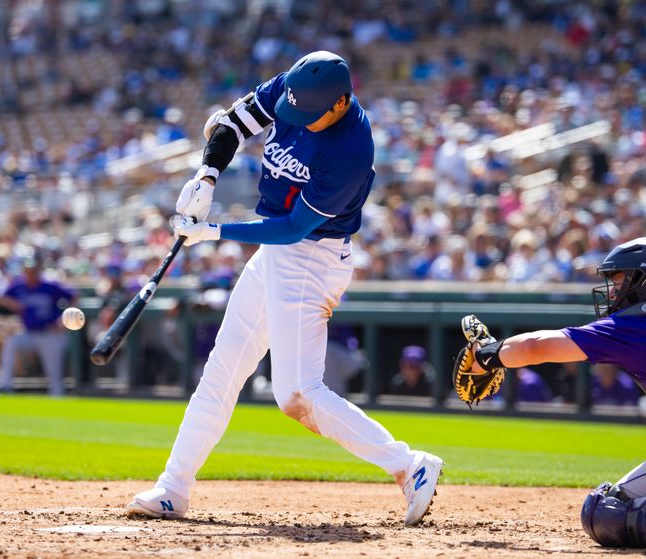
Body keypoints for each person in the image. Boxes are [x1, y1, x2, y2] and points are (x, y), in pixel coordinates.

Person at [125, 51, 442, 526]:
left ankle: (409, 465)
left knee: (296, 393)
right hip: (278, 256)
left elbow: (294, 228)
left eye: (308, 115)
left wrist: (215, 232)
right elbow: (231, 125)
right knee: (222, 370)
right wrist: (207, 176)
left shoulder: (351, 150)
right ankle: (173, 487)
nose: (295, 120)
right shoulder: (296, 89)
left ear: (339, 104)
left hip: (312, 257)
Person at [461, 237, 646, 548]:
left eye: (620, 280)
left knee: (607, 513)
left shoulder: (631, 327)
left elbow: (537, 346)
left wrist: (486, 356)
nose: (614, 291)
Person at [0, 256, 75, 396]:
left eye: (33, 270)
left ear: (38, 271)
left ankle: (57, 394)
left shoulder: (49, 285)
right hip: (29, 333)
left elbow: (74, 297)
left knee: (54, 370)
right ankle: (5, 386)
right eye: (28, 270)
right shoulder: (19, 286)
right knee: (11, 343)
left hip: (49, 332)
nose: (30, 273)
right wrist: (12, 304)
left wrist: (64, 320)